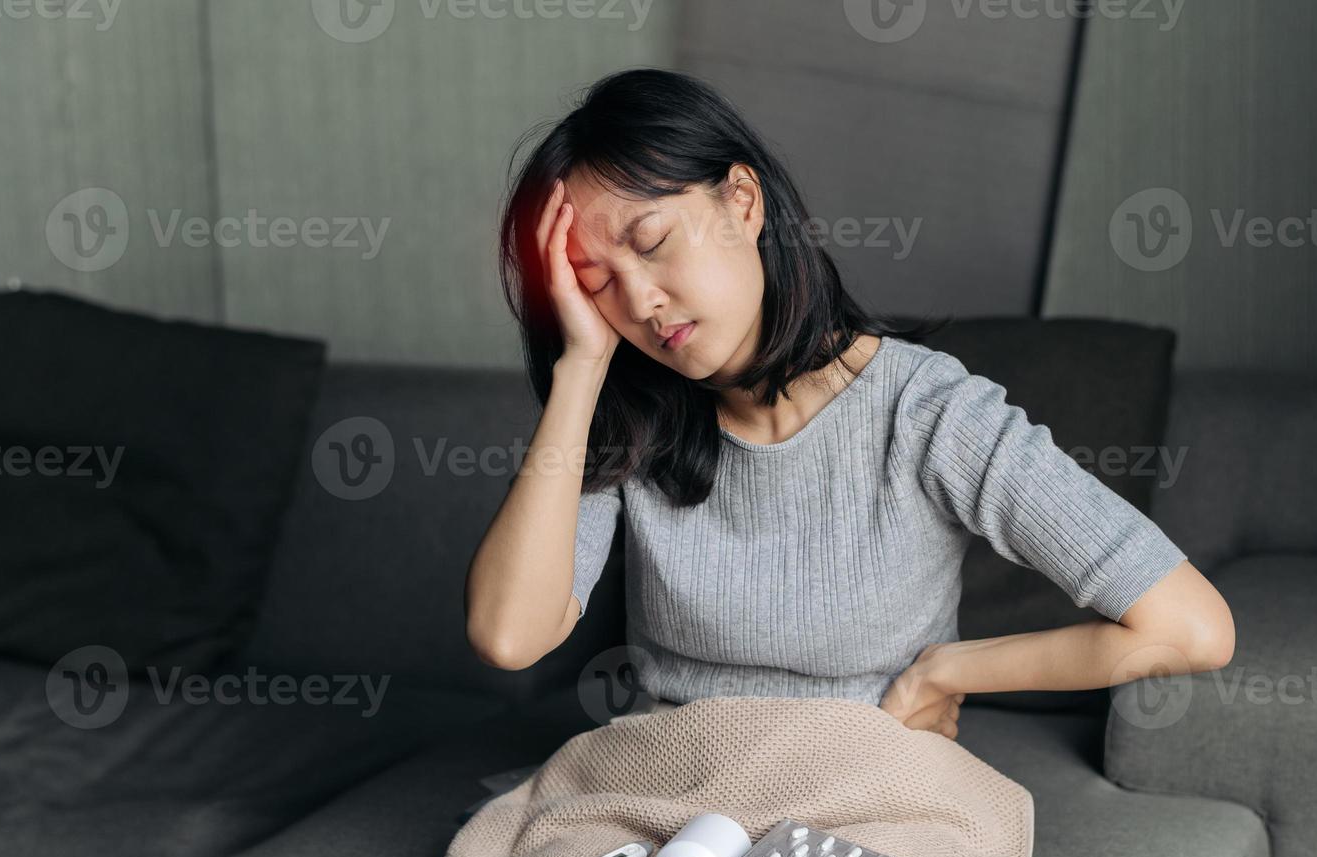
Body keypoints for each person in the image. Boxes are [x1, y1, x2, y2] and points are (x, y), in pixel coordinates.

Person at [464, 68, 1234, 740]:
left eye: (654, 241)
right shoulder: (624, 419)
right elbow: (510, 635)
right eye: (596, 282)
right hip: (664, 790)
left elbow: (1190, 628)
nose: (640, 300)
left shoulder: (928, 412)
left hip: (859, 791)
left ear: (742, 201)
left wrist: (946, 671)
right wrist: (581, 370)